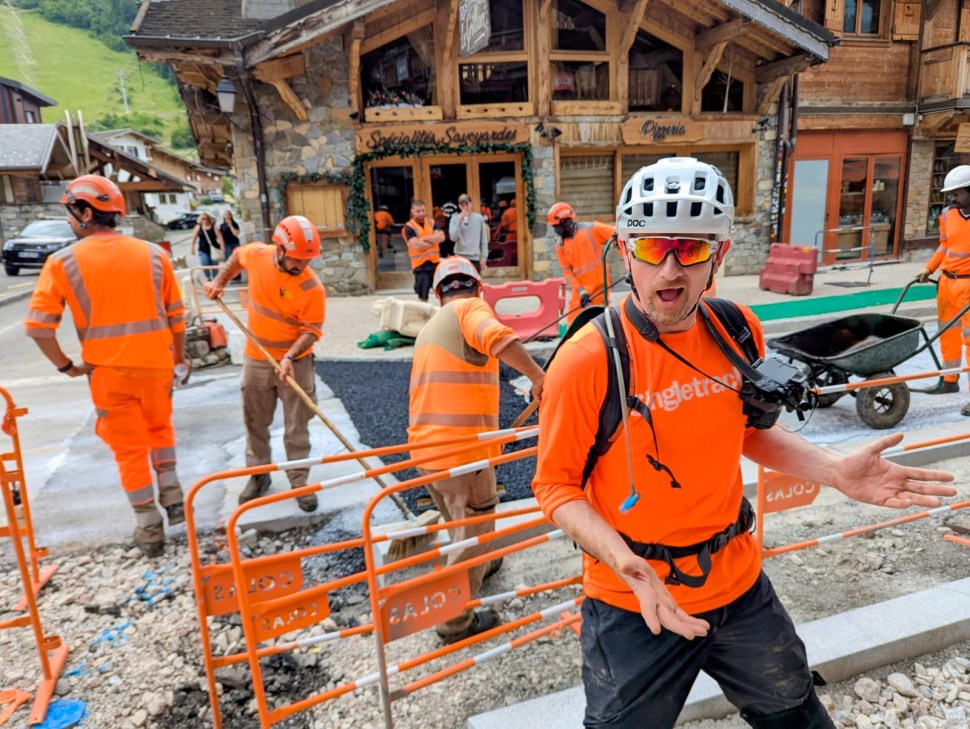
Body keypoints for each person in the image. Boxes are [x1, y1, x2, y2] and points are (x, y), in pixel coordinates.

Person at [531, 157, 956, 729]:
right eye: (654, 249)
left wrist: (832, 471)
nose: (671, 270)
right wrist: (626, 564)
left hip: (738, 586)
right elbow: (556, 487)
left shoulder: (735, 329)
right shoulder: (588, 362)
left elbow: (750, 432)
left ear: (720, 256)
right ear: (626, 252)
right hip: (635, 602)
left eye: (692, 248)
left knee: (796, 713)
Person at [24, 174, 189, 558]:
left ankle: (150, 529)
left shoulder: (62, 262)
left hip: (109, 375)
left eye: (70, 212)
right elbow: (176, 319)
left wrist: (67, 367)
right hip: (157, 368)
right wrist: (179, 360)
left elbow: (37, 328)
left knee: (130, 452)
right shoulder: (153, 255)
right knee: (160, 429)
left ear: (86, 212)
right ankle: (174, 499)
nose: (69, 220)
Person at [408, 256, 545, 643]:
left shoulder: (430, 327)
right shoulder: (469, 308)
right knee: (473, 524)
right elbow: (499, 338)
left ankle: (482, 562)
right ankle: (454, 621)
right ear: (478, 287)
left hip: (427, 449)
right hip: (461, 455)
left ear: (437, 293)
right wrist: (538, 377)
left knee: (460, 521)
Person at [202, 215, 326, 513]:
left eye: (306, 261)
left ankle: (299, 481)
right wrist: (219, 281)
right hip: (256, 358)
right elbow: (235, 257)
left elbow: (311, 331)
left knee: (297, 425)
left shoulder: (312, 288)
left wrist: (288, 357)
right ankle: (258, 475)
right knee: (255, 421)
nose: (301, 266)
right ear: (279, 248)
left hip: (296, 360)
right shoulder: (257, 255)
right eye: (296, 259)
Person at [918, 163, 970, 407]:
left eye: (957, 192)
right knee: (947, 334)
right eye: (951, 193)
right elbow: (944, 245)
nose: (952, 197)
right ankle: (949, 379)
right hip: (946, 283)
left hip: (969, 287)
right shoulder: (947, 214)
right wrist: (929, 268)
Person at [548, 201, 616, 324]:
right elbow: (567, 271)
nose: (555, 231)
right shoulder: (560, 246)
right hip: (582, 291)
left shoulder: (592, 229)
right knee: (573, 323)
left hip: (601, 288)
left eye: (555, 227)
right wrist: (582, 291)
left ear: (566, 222)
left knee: (599, 323)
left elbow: (618, 235)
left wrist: (630, 267)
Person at [401, 198, 444, 302]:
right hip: (420, 267)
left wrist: (424, 239)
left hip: (435, 264)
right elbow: (416, 245)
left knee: (444, 294)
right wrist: (433, 240)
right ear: (412, 212)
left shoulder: (432, 222)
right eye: (418, 211)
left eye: (423, 210)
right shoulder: (408, 227)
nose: (421, 213)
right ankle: (423, 317)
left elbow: (441, 237)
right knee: (423, 297)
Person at [448, 193, 489, 272]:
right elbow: (453, 238)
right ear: (459, 206)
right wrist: (459, 220)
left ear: (471, 204)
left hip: (474, 258)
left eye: (467, 204)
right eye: (462, 205)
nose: (465, 207)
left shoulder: (478, 218)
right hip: (459, 257)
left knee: (474, 283)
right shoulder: (454, 219)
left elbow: (483, 240)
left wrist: (483, 258)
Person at [190, 212, 224, 281]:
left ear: (209, 219)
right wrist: (192, 248)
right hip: (203, 249)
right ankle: (208, 276)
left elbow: (220, 237)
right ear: (201, 220)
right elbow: (194, 238)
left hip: (214, 249)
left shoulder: (214, 227)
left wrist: (223, 247)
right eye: (203, 219)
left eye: (207, 219)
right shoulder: (198, 227)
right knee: (204, 263)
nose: (205, 220)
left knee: (214, 266)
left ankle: (215, 279)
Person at [220, 210, 243, 283]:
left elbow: (236, 234)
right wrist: (222, 246)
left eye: (228, 214)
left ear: (230, 216)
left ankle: (238, 277)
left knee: (236, 261)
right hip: (227, 245)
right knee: (229, 262)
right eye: (225, 214)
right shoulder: (222, 225)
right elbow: (221, 237)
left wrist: (230, 225)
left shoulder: (234, 224)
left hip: (234, 244)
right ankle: (231, 278)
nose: (226, 216)